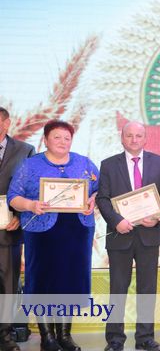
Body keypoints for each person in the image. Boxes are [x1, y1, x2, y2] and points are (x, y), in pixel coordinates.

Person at [7, 120, 98, 351]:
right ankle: (47, 337)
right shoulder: (30, 165)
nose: (62, 142)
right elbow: (13, 197)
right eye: (57, 137)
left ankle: (64, 336)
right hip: (42, 233)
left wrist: (92, 200)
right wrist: (31, 205)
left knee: (69, 281)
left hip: (77, 231)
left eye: (67, 138)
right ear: (45, 140)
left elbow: (100, 190)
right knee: (43, 281)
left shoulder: (84, 163)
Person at [96, 122, 160, 351]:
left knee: (147, 289)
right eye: (129, 135)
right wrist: (116, 221)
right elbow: (102, 198)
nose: (134, 139)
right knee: (117, 289)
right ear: (122, 138)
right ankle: (115, 339)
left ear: (145, 138)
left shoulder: (159, 162)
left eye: (139, 135)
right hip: (120, 234)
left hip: (149, 234)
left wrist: (158, 217)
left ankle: (145, 338)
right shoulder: (108, 164)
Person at [0, 107, 35, 351]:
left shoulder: (25, 150)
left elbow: (32, 188)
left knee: (8, 285)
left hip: (9, 227)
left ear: (6, 123)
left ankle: (4, 335)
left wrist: (21, 216)